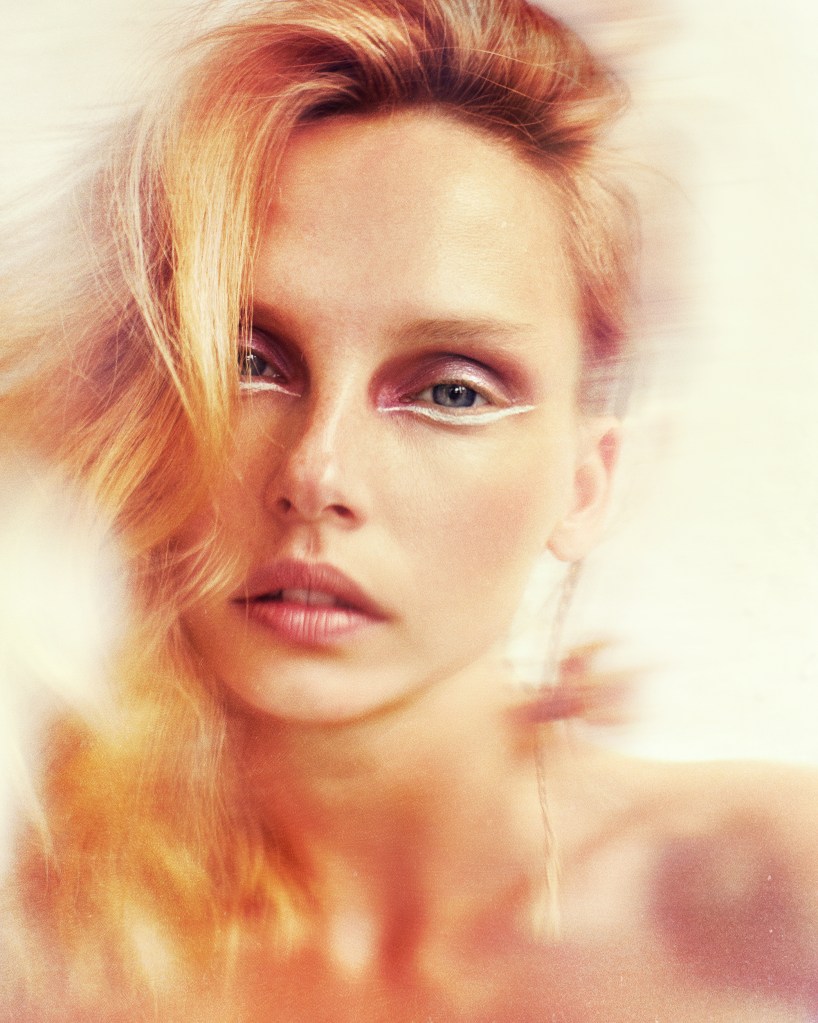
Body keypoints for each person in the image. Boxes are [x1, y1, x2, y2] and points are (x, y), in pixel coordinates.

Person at [1, 0, 816, 1020]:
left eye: (451, 390)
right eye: (249, 362)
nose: (317, 471)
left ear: (585, 482)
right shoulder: (48, 953)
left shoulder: (771, 894)